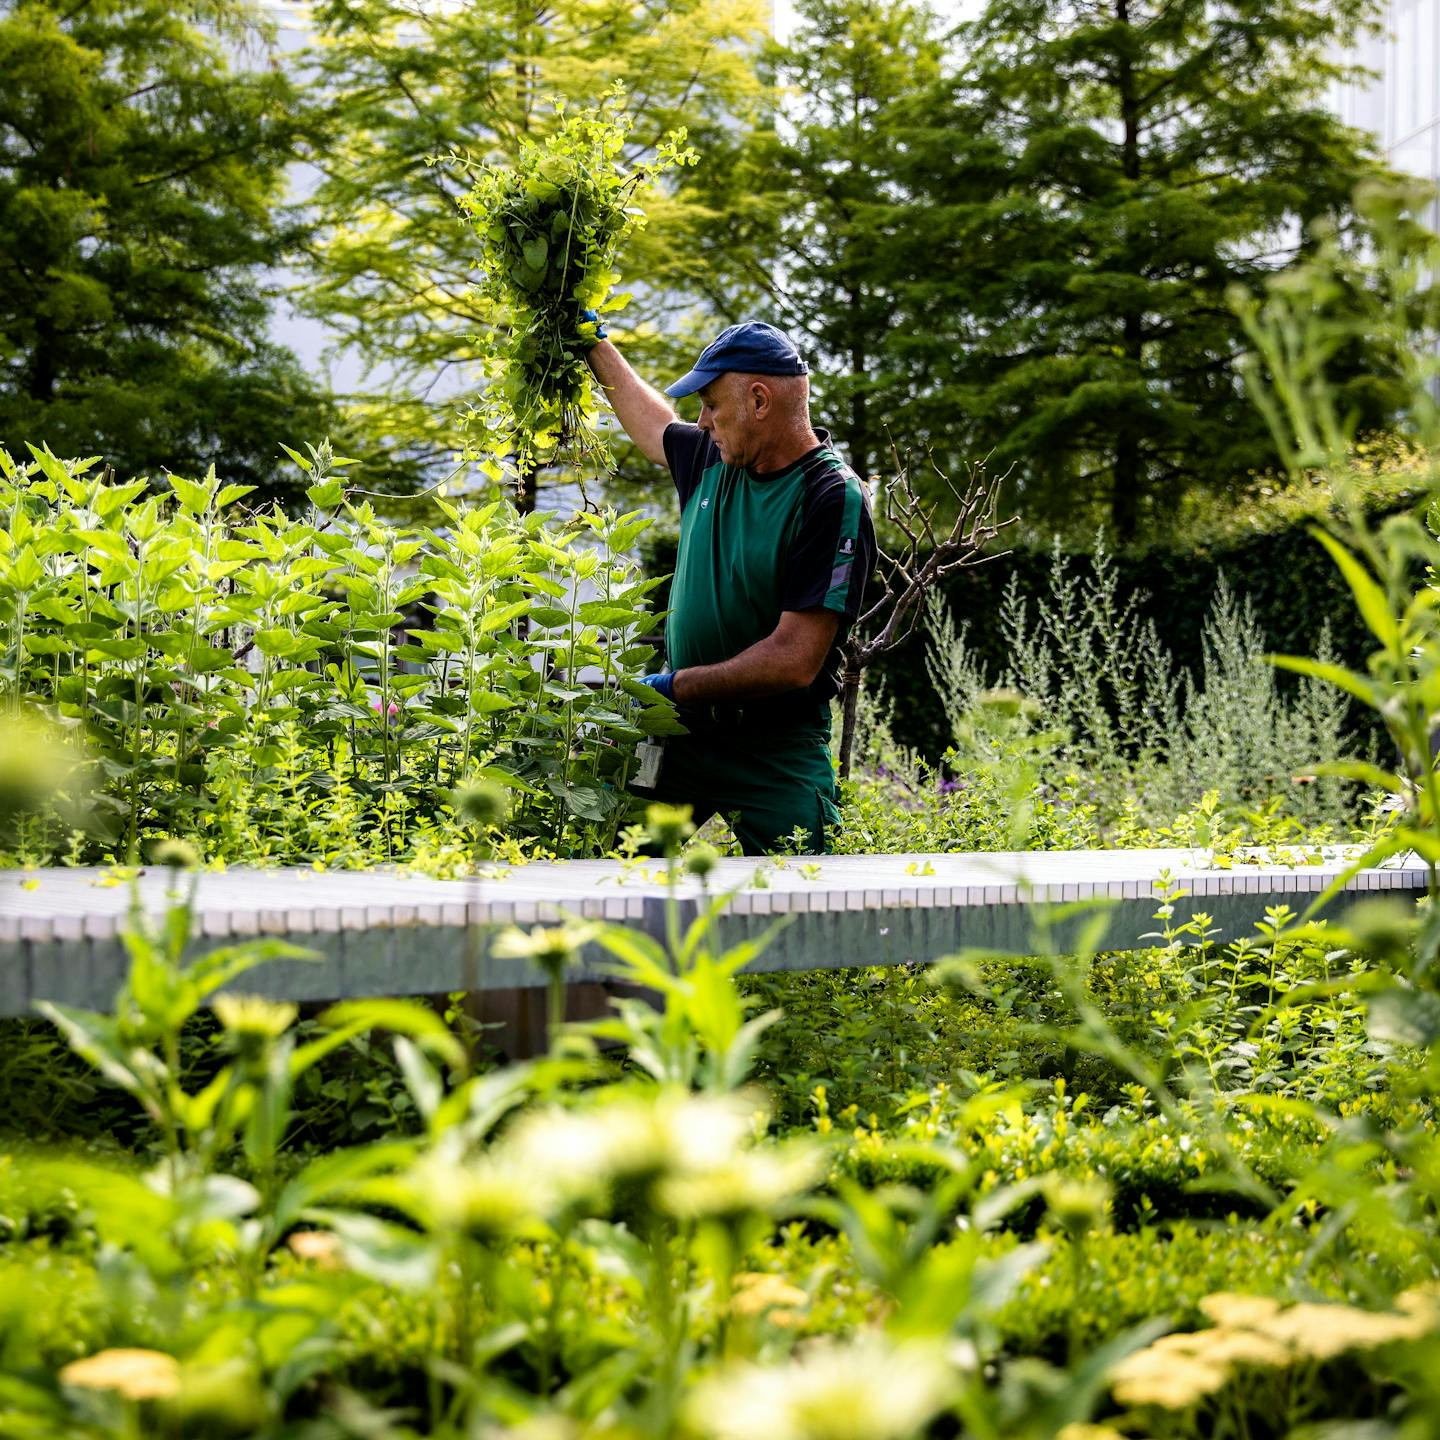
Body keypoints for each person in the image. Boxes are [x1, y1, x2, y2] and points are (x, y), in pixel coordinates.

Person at [583, 317, 876, 854]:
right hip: (678, 735)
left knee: (804, 892)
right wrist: (594, 343)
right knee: (620, 875)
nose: (702, 421)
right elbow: (654, 426)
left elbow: (794, 660)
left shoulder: (831, 496)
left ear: (759, 401)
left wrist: (672, 686)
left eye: (711, 405)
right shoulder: (713, 458)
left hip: (775, 748)